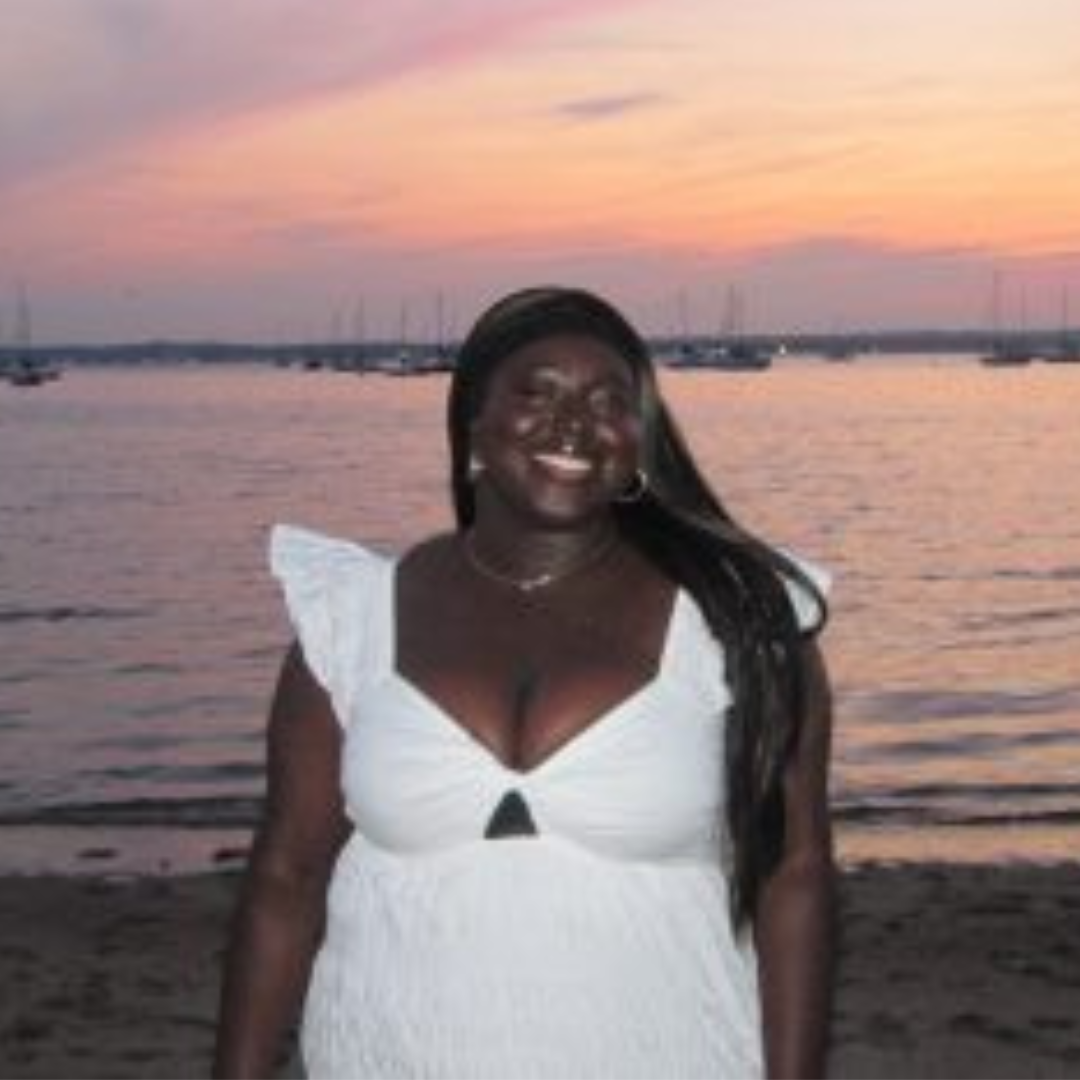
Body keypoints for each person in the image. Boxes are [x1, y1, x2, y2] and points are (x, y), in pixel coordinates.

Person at [214, 285, 835, 1079]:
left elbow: (794, 876)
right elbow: (285, 879)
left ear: (638, 444)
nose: (573, 423)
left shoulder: (739, 623)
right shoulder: (351, 617)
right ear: (474, 427)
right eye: (537, 394)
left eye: (608, 401)